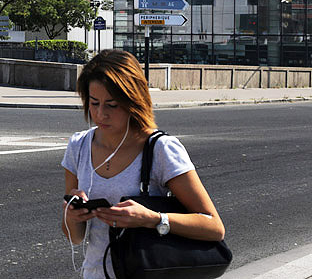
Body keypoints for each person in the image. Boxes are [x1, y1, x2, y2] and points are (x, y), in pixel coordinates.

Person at [60, 49, 225, 278]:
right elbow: (76, 238)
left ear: (132, 101)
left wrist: (153, 219)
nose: (100, 114)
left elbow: (214, 228)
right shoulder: (78, 146)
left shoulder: (161, 149)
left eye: (112, 105)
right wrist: (72, 217)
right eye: (94, 102)